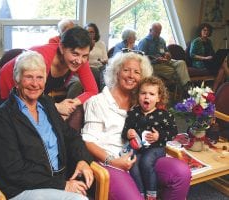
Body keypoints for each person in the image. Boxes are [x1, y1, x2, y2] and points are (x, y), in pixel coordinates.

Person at [81, 51, 191, 200]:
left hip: (144, 158)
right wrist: (114, 162)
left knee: (181, 172)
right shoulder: (98, 102)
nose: (131, 75)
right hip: (112, 163)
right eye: (126, 70)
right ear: (116, 73)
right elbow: (88, 141)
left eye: (137, 72)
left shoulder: (142, 102)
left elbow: (164, 127)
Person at [0, 50, 94, 200]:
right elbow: (14, 171)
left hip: (58, 179)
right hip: (22, 188)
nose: (35, 84)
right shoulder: (3, 117)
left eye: (40, 77)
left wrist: (82, 159)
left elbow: (70, 135)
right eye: (28, 77)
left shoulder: (46, 104)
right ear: (17, 80)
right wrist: (62, 185)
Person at [0, 27, 98, 119]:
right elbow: (30, 95)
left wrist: (73, 103)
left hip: (36, 95)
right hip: (9, 81)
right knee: (7, 120)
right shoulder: (42, 58)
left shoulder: (80, 60)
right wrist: (56, 106)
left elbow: (92, 91)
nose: (80, 61)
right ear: (62, 48)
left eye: (85, 55)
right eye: (75, 54)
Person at [121, 76, 178, 200]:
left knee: (146, 162)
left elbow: (173, 132)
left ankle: (152, 193)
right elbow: (125, 130)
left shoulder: (164, 115)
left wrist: (159, 136)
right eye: (143, 93)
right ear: (138, 96)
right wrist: (128, 132)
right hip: (138, 148)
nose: (147, 97)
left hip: (156, 148)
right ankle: (140, 192)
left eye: (152, 94)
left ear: (158, 98)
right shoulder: (133, 113)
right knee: (133, 163)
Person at [138, 22, 191, 91]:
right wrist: (156, 60)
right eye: (156, 32)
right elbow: (141, 59)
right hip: (153, 64)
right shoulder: (144, 42)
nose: (158, 34)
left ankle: (187, 86)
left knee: (181, 63)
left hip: (164, 61)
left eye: (159, 32)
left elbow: (166, 51)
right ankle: (185, 90)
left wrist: (168, 55)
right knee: (175, 71)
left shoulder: (161, 40)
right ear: (150, 30)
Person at [189, 23, 228, 91]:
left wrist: (218, 57)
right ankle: (215, 90)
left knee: (222, 66)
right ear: (200, 31)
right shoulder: (196, 41)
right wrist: (205, 58)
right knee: (223, 66)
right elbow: (192, 55)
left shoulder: (209, 41)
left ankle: (214, 90)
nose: (206, 32)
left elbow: (212, 53)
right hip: (199, 62)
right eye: (204, 30)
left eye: (208, 31)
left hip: (209, 61)